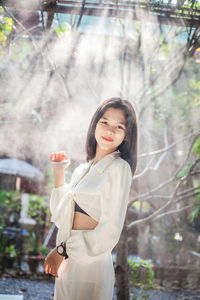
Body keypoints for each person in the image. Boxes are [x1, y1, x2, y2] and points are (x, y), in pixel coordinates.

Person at [44, 97, 138, 300]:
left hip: (91, 262)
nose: (110, 130)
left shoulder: (119, 168)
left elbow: (110, 230)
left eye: (119, 126)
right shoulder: (82, 170)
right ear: (95, 124)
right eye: (105, 122)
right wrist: (59, 172)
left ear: (127, 135)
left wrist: (62, 250)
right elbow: (61, 217)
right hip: (69, 259)